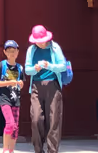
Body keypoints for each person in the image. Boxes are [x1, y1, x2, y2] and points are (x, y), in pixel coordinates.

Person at [24, 25, 68, 153]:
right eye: (37, 41)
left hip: (53, 85)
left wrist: (49, 66)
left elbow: (63, 66)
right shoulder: (31, 50)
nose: (39, 43)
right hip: (36, 86)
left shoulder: (55, 48)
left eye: (41, 41)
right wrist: (35, 69)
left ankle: (52, 150)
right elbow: (27, 70)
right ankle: (38, 149)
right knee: (36, 118)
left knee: (53, 119)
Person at [0, 40, 24, 153]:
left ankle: (11, 150)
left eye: (13, 51)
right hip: (4, 99)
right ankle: (5, 149)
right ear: (5, 52)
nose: (11, 53)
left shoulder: (20, 68)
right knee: (10, 124)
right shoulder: (1, 65)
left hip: (16, 100)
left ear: (17, 52)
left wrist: (20, 83)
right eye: (9, 51)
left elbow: (21, 82)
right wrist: (9, 82)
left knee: (15, 128)